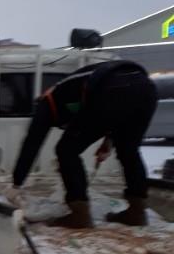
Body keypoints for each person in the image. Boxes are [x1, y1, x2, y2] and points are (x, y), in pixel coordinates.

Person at [11, 59, 158, 228]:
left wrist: (17, 183)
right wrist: (108, 142)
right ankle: (137, 213)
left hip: (113, 89)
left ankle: (79, 214)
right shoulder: (73, 89)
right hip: (146, 88)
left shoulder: (48, 102)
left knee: (66, 150)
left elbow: (32, 142)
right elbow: (116, 112)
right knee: (129, 150)